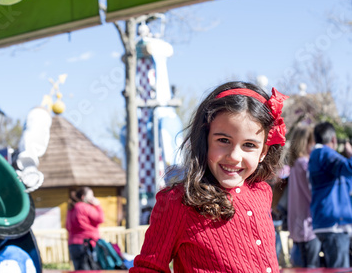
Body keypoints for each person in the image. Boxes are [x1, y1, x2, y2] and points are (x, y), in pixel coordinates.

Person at [130, 81, 288, 273]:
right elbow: (148, 268)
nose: (234, 157)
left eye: (249, 145)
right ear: (204, 140)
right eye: (223, 140)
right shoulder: (176, 202)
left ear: (263, 151)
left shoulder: (261, 191)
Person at [308, 121, 352, 268]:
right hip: (334, 223)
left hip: (325, 220)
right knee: (340, 269)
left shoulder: (316, 155)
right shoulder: (325, 153)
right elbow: (348, 168)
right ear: (333, 139)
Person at [286, 124, 320, 268]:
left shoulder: (293, 165)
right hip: (308, 226)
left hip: (296, 226)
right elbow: (313, 193)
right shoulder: (305, 164)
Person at [66, 186, 104, 270]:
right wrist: (98, 205)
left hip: (73, 244)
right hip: (86, 244)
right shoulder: (84, 207)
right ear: (83, 197)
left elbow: (67, 226)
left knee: (79, 270)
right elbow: (100, 218)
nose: (93, 198)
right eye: (91, 196)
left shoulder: (71, 208)